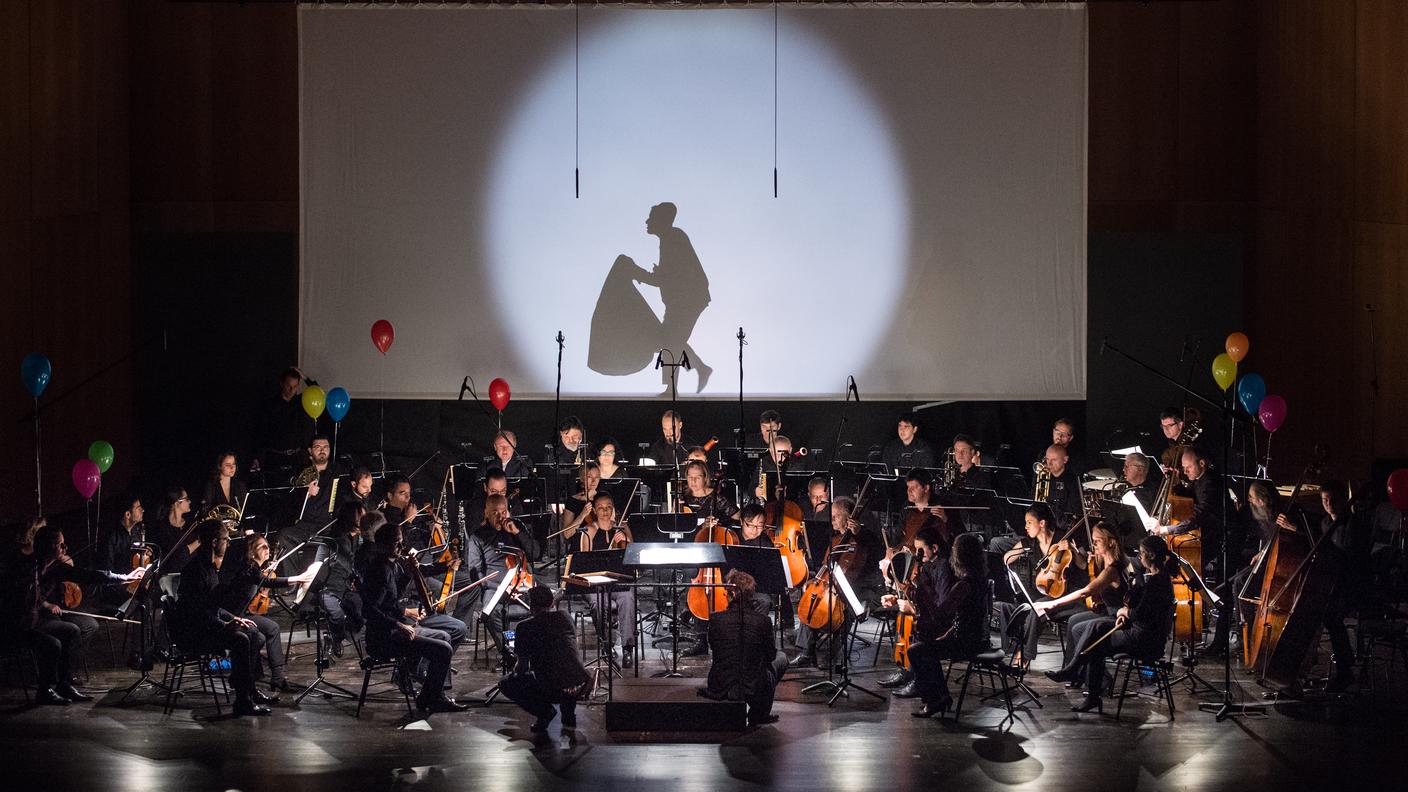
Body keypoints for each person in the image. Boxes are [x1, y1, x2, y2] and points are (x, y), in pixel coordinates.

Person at [0, 525, 143, 705]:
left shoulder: (56, 568)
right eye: (61, 545)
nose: (65, 548)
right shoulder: (24, 568)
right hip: (15, 625)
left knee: (72, 630)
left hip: (34, 621)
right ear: (48, 547)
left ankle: (64, 684)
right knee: (52, 643)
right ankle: (45, 690)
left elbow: (87, 575)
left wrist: (123, 577)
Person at [1044, 535, 1176, 713]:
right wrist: (1127, 614)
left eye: (1142, 553)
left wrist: (1125, 612)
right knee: (1096, 627)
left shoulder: (1157, 581)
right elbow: (1144, 610)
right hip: (1139, 630)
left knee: (1095, 644)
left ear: (1151, 556)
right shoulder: (1155, 578)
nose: (1139, 557)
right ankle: (1075, 672)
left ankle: (1084, 685)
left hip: (1144, 638)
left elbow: (1141, 613)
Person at [358, 522, 470, 714]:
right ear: (383, 545)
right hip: (384, 637)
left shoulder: (391, 565)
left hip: (396, 630)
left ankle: (431, 696)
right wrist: (399, 624)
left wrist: (408, 575)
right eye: (396, 544)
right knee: (443, 649)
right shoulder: (378, 570)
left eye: (401, 543)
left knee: (445, 637)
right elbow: (370, 610)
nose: (401, 548)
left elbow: (391, 601)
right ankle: (430, 697)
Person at [170, 521, 275, 716]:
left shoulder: (210, 567)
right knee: (241, 639)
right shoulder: (195, 570)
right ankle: (242, 701)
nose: (228, 544)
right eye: (226, 540)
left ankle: (247, 689)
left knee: (255, 634)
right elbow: (196, 611)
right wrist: (225, 624)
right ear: (213, 542)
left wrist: (234, 617)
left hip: (206, 624)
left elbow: (213, 606)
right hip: (194, 632)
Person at [892, 532, 990, 717]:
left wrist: (923, 593)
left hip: (967, 643)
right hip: (978, 638)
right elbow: (965, 617)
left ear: (960, 557)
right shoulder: (980, 580)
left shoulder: (964, 585)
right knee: (925, 647)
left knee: (916, 650)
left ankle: (935, 699)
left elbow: (941, 614)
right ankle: (941, 697)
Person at [628, 201, 714, 393]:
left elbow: (666, 278)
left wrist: (637, 273)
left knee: (671, 340)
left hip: (687, 300)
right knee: (670, 339)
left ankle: (674, 387)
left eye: (651, 217)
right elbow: (668, 276)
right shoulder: (670, 239)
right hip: (681, 301)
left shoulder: (673, 238)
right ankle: (696, 371)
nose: (647, 221)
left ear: (661, 220)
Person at [994, 503, 1090, 663]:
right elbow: (1006, 559)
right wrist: (1020, 551)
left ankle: (1024, 657)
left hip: (1065, 594)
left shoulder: (1064, 538)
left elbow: (1083, 565)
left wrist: (1072, 549)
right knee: (1010, 606)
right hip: (1041, 593)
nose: (1025, 526)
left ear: (1042, 523)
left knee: (1036, 610)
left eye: (1029, 522)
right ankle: (1011, 650)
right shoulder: (1029, 543)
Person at [793, 497, 882, 669]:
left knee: (846, 610)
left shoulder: (865, 537)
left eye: (836, 516)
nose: (832, 520)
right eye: (831, 515)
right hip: (833, 586)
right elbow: (826, 566)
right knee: (811, 599)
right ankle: (806, 652)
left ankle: (831, 656)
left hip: (863, 587)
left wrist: (859, 534)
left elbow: (879, 552)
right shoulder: (835, 539)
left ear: (849, 518)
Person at [220, 534, 314, 692]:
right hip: (233, 616)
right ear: (251, 551)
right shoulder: (248, 568)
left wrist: (265, 571)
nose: (267, 549)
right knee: (264, 634)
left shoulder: (254, 568)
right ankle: (248, 679)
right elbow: (267, 582)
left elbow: (261, 578)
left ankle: (275, 678)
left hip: (242, 614)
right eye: (261, 546)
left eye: (267, 546)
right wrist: (297, 578)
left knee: (271, 629)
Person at [1031, 522, 1131, 668]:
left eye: (1098, 540)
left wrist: (1051, 603)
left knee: (1079, 627)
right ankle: (1070, 670)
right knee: (1074, 620)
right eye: (1093, 540)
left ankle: (1077, 670)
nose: (1094, 544)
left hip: (1116, 616)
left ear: (1111, 542)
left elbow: (1086, 591)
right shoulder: (1101, 562)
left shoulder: (1113, 569)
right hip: (1105, 610)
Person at [463, 494, 541, 668]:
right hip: (495, 588)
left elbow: (535, 553)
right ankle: (509, 651)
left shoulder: (516, 527)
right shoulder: (477, 537)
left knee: (548, 601)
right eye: (495, 513)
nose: (500, 517)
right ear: (486, 513)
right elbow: (475, 574)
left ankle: (538, 652)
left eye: (503, 512)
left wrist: (517, 533)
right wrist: (497, 587)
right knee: (490, 612)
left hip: (522, 583)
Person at [701, 570, 787, 726]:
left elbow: (714, 650)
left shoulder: (715, 619)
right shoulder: (763, 621)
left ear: (731, 594)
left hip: (721, 684)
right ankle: (759, 713)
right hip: (752, 685)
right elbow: (770, 655)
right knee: (781, 658)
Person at [500, 585, 590, 731]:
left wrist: (514, 662)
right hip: (580, 684)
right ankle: (568, 714)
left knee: (507, 683)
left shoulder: (524, 627)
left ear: (530, 606)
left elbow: (522, 668)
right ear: (551, 603)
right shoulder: (565, 617)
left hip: (552, 687)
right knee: (564, 669)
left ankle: (545, 713)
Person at [572, 493, 637, 668]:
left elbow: (633, 558)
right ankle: (606, 644)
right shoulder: (589, 531)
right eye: (600, 507)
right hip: (595, 585)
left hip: (616, 582)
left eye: (608, 507)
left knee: (627, 597)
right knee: (598, 602)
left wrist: (627, 541)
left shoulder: (622, 527)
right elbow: (583, 564)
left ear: (613, 509)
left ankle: (627, 648)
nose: (605, 511)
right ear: (594, 510)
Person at [317, 501, 367, 657]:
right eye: (362, 517)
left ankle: (337, 635)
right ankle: (335, 638)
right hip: (327, 589)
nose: (365, 520)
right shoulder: (336, 540)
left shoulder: (355, 538)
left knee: (362, 611)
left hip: (344, 588)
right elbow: (348, 564)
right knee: (337, 615)